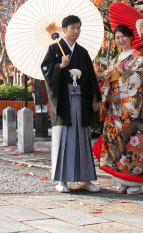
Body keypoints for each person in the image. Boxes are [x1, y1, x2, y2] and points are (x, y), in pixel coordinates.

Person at [41, 15, 101, 193]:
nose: (76, 31)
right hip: (64, 103)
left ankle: (86, 179)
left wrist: (94, 99)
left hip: (81, 102)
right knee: (63, 140)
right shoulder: (54, 49)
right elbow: (45, 69)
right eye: (73, 28)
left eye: (78, 27)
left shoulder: (82, 52)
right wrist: (59, 66)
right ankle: (62, 180)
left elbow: (90, 77)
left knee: (83, 139)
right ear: (64, 30)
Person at [98, 24, 143, 194]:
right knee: (118, 143)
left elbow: (142, 79)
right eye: (117, 38)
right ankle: (121, 179)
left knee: (135, 143)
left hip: (134, 108)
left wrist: (124, 70)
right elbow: (108, 84)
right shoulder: (116, 58)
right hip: (116, 108)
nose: (120, 40)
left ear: (131, 37)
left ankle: (136, 182)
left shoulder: (139, 57)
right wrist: (108, 78)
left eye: (124, 36)